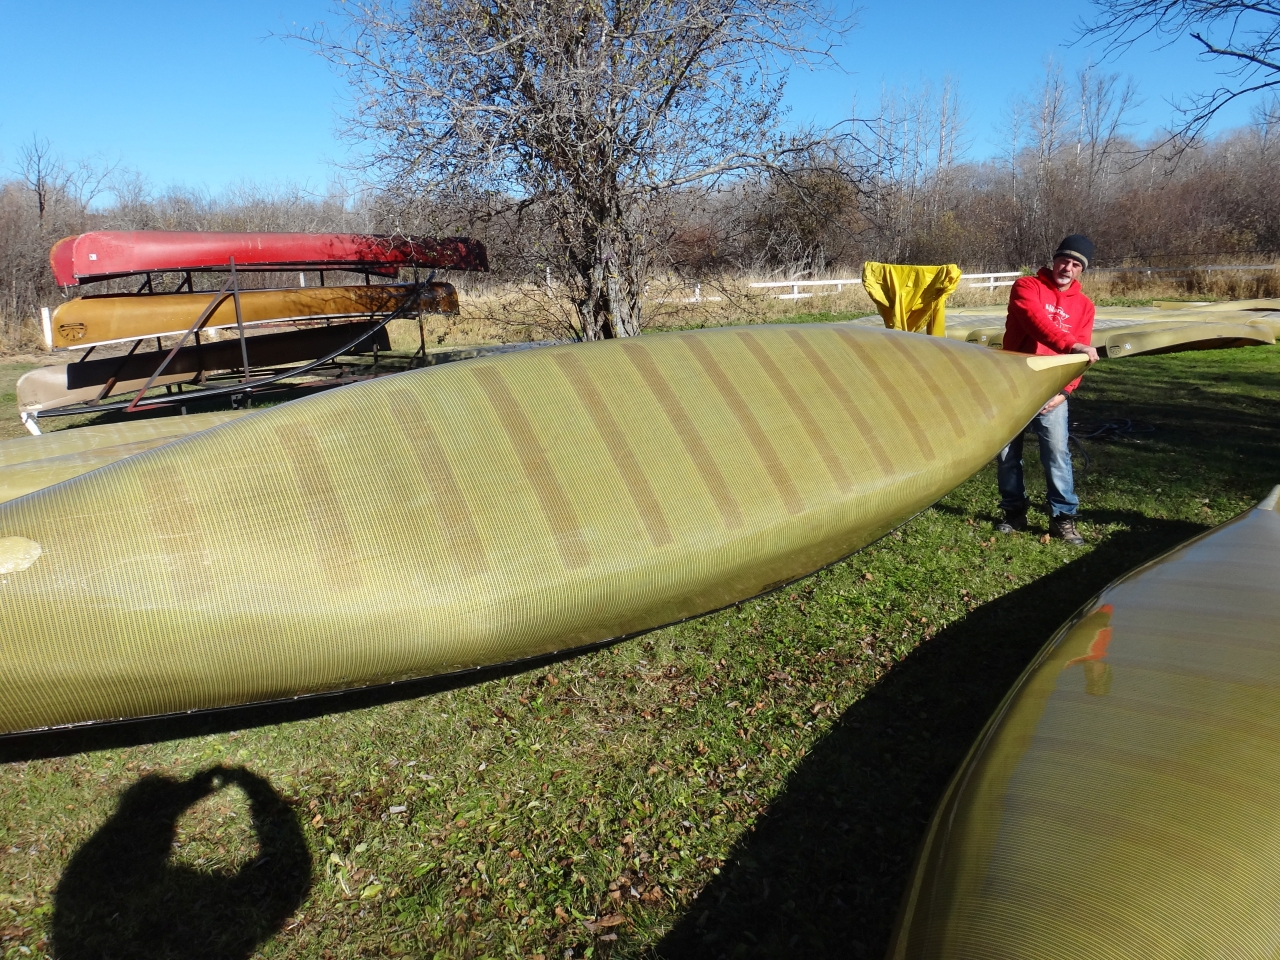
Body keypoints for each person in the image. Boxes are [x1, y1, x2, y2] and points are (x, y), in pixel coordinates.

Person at [996, 235, 1100, 545]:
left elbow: (1079, 360)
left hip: (1052, 389)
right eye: (1064, 260)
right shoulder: (1027, 287)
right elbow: (1035, 322)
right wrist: (1072, 344)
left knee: (1056, 454)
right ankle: (1014, 512)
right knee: (1006, 455)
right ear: (1054, 260)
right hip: (1013, 384)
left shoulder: (1085, 307)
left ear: (1082, 270)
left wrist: (1065, 391)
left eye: (1075, 264)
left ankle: (1062, 519)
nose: (1067, 267)